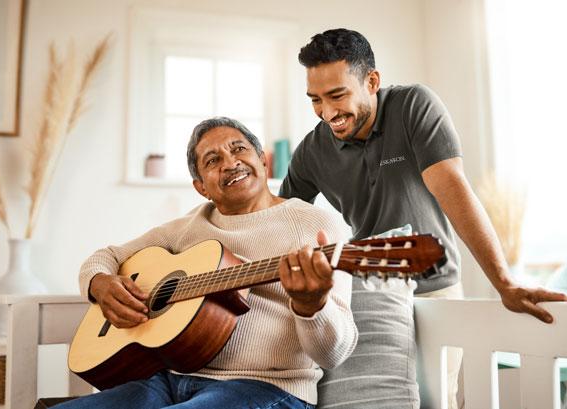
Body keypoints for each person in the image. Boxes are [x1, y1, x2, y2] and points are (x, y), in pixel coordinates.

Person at [279, 28, 567, 409]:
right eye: (315, 100)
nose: (327, 112)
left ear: (372, 81)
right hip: (372, 296)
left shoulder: (413, 106)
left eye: (337, 95)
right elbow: (279, 217)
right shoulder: (312, 150)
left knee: (443, 400)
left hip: (435, 288)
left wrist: (503, 281)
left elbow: (452, 189)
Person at [56, 117, 358, 409]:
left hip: (267, 388)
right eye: (212, 160)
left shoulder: (316, 226)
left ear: (262, 160)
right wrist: (100, 284)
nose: (230, 163)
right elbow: (103, 258)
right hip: (167, 381)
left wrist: (311, 305)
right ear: (201, 186)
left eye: (239, 149)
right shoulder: (188, 227)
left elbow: (334, 354)